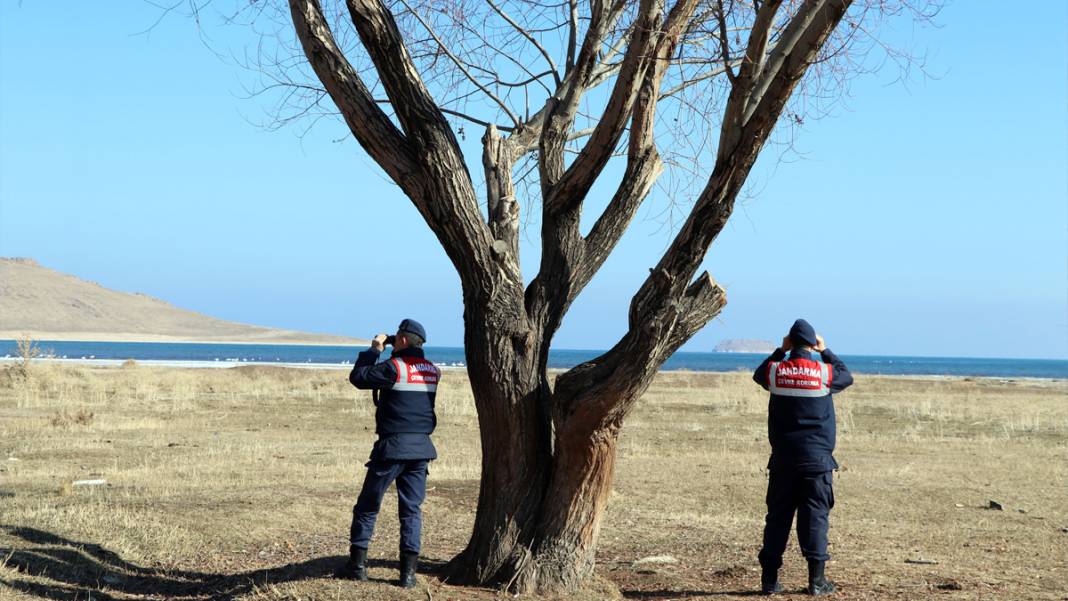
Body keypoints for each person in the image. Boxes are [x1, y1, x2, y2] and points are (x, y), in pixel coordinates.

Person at [335, 318, 440, 588]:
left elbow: (359, 377)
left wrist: (375, 349)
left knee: (368, 506)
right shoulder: (433, 371)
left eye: (397, 338)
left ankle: (357, 566)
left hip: (392, 448)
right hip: (421, 449)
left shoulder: (394, 368)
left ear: (402, 340)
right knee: (411, 511)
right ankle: (408, 575)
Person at [753, 319, 853, 596]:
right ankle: (816, 581)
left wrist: (780, 351)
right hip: (817, 462)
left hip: (783, 460)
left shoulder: (776, 371)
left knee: (777, 519)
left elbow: (759, 375)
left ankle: (769, 581)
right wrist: (826, 351)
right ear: (811, 344)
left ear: (790, 342)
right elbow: (846, 376)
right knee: (815, 519)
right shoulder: (823, 373)